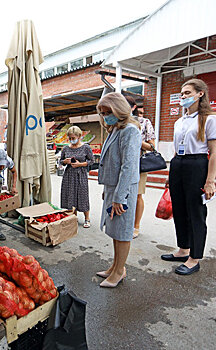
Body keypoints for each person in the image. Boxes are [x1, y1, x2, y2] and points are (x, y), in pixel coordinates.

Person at [161, 78, 216, 275]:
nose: (183, 96)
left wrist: (210, 181)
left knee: (195, 212)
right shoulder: (180, 121)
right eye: (182, 93)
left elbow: (214, 152)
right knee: (179, 209)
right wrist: (171, 174)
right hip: (178, 163)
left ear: (200, 94)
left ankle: (194, 257)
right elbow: (176, 149)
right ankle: (183, 249)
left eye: (187, 93)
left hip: (197, 165)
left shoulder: (210, 118)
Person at [96, 92, 141, 288]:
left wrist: (119, 196)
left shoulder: (130, 130)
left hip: (124, 190)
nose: (105, 116)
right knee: (114, 230)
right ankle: (115, 266)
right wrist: (109, 190)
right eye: (103, 113)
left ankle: (120, 271)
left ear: (119, 110)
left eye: (108, 112)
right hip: (114, 187)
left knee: (122, 232)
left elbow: (129, 167)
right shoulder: (115, 129)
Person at [124, 96, 156, 239]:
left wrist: (138, 140)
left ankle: (135, 226)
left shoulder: (144, 122)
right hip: (121, 164)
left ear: (133, 107)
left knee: (137, 195)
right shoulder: (118, 122)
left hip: (137, 164)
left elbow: (152, 147)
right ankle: (124, 223)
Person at [60, 126, 94, 228]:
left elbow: (91, 161)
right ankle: (72, 218)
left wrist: (80, 164)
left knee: (82, 196)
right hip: (68, 175)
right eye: (70, 138)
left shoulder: (86, 147)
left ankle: (87, 219)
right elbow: (61, 160)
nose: (71, 140)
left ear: (79, 136)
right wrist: (65, 161)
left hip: (81, 174)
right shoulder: (66, 148)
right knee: (69, 196)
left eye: (73, 137)